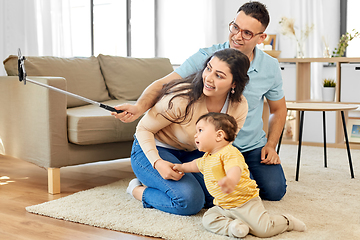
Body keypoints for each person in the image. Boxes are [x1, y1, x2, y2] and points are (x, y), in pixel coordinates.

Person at [114, 1, 287, 201]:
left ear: (261, 38)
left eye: (247, 33)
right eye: (235, 27)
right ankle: (142, 187)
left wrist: (271, 145)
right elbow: (164, 85)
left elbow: (278, 110)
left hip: (241, 145)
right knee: (196, 197)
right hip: (199, 145)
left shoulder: (265, 73)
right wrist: (139, 107)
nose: (237, 36)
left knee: (271, 191)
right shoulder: (206, 59)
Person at [123, 48, 250, 216]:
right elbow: (143, 128)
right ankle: (137, 189)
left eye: (219, 75)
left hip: (191, 154)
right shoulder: (182, 97)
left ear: (234, 83)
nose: (209, 78)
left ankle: (160, 184)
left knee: (227, 193)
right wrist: (158, 163)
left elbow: (222, 147)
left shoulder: (239, 106)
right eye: (209, 68)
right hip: (154, 149)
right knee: (189, 201)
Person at [173, 112, 306, 238]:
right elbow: (194, 165)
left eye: (200, 130)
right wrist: (180, 167)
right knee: (208, 220)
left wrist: (231, 180)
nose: (196, 135)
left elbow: (234, 168)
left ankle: (288, 221)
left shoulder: (229, 153)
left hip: (245, 203)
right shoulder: (207, 158)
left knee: (264, 230)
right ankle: (232, 227)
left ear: (219, 135)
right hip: (223, 206)